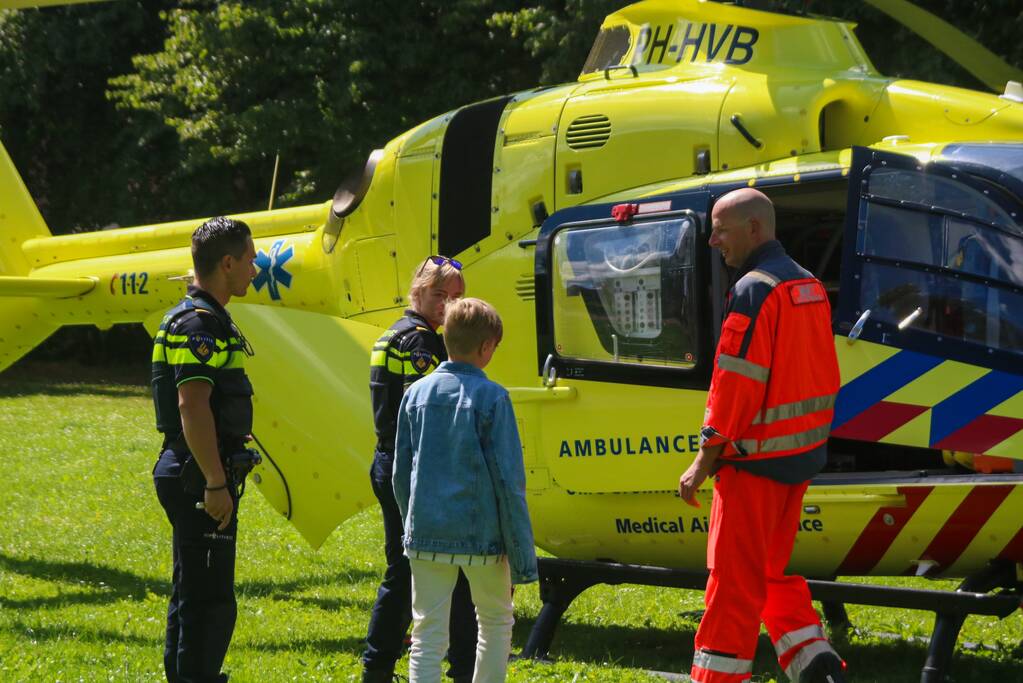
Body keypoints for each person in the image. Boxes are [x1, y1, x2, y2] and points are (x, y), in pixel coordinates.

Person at [677, 189, 846, 683]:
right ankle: (813, 659)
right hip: (797, 457)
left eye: (721, 230)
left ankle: (717, 678)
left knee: (732, 584)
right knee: (769, 570)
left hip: (751, 464)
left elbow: (735, 384)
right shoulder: (808, 285)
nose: (712, 241)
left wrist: (704, 458)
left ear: (754, 229)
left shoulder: (754, 288)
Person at [393, 297, 538, 683]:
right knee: (494, 623)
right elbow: (509, 482)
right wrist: (523, 558)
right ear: (486, 347)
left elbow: (399, 473)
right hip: (483, 539)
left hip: (425, 533)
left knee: (426, 632)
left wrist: (413, 520)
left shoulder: (415, 394)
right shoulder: (494, 398)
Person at [151, 216, 258, 683]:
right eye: (250, 261)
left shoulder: (196, 315)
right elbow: (192, 406)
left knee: (192, 595)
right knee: (211, 605)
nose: (255, 270)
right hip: (198, 474)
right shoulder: (199, 323)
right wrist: (215, 483)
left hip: (191, 469)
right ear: (228, 262)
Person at [363, 256, 477, 683]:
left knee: (405, 568)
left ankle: (381, 664)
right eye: (439, 295)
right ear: (418, 290)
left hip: (390, 461)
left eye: (456, 297)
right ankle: (381, 664)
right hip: (409, 468)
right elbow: (430, 416)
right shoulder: (419, 342)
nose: (448, 306)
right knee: (413, 569)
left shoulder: (395, 333)